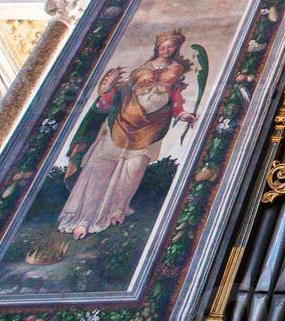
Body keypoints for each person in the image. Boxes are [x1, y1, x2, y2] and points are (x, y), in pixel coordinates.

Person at [58, 31, 198, 239]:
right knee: (101, 170)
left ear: (175, 49)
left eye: (171, 46)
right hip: (121, 124)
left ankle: (116, 210)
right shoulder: (141, 69)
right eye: (163, 45)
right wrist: (105, 91)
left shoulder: (175, 72)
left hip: (151, 127)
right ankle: (84, 218)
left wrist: (182, 114)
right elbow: (118, 93)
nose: (166, 49)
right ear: (157, 47)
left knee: (132, 171)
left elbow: (175, 99)